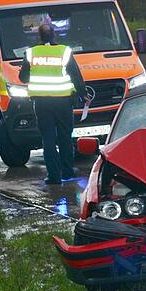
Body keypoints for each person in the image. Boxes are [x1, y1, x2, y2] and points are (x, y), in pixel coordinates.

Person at [19, 23, 88, 184]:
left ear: (40, 37)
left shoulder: (31, 53)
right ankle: (67, 172)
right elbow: (76, 76)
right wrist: (83, 94)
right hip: (63, 102)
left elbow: (23, 78)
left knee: (48, 139)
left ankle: (53, 176)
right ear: (54, 35)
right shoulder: (64, 51)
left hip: (41, 103)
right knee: (65, 136)